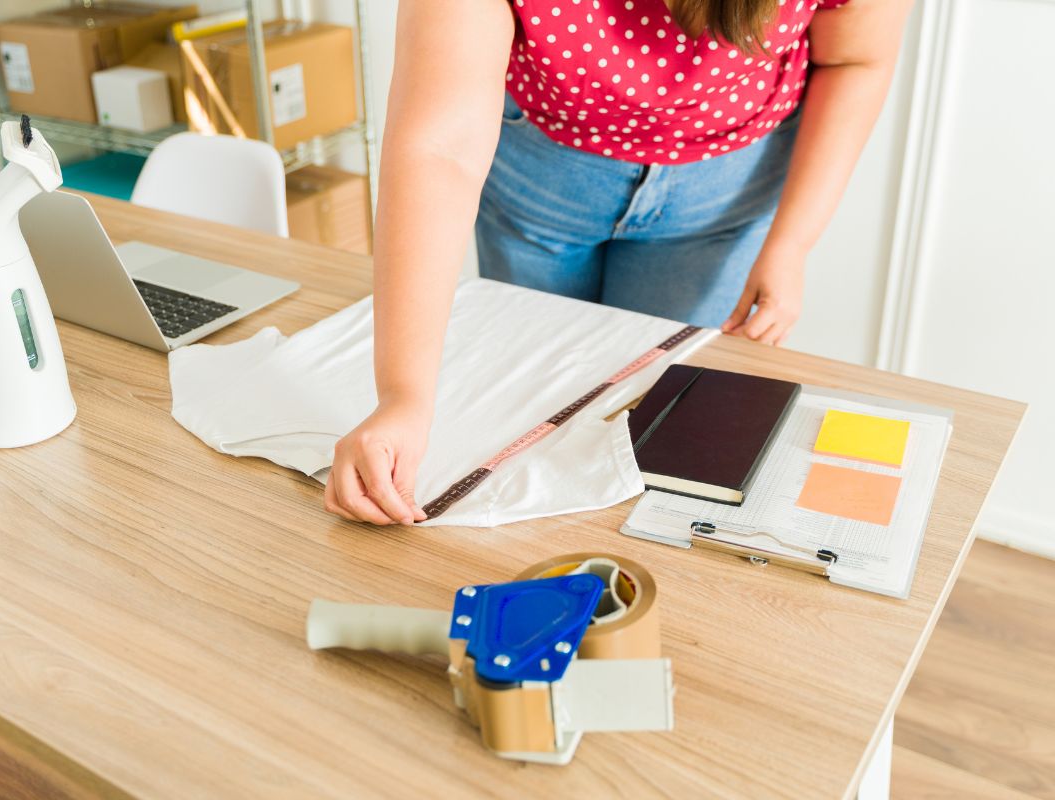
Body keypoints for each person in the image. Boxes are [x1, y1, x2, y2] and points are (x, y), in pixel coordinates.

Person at [324, 0, 913, 525]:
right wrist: (402, 395)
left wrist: (792, 243)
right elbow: (439, 149)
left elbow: (855, 59)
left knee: (653, 436)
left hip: (725, 195)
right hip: (543, 174)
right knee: (537, 399)